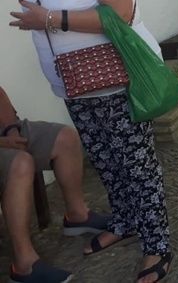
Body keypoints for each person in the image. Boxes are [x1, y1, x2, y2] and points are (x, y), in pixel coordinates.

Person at [4, 0, 173, 283]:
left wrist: (48, 19)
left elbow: (120, 15)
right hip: (76, 84)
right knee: (106, 160)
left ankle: (157, 245)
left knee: (136, 165)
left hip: (113, 80)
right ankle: (125, 221)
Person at [1, 87, 109, 283]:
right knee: (21, 163)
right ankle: (24, 265)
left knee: (66, 137)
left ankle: (78, 215)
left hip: (4, 133)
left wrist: (12, 131)